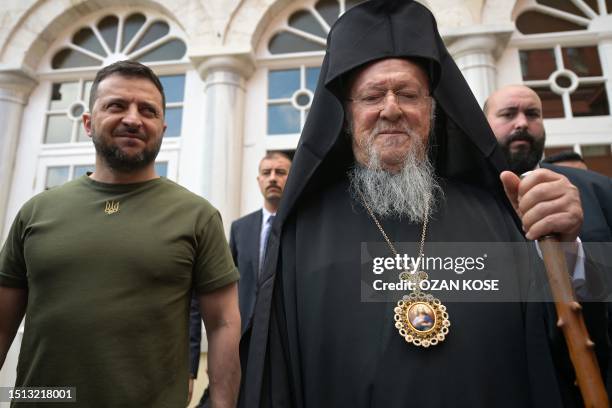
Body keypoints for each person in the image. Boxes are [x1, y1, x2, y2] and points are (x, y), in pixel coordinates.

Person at [240, 2, 603, 407]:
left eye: (409, 94)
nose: (391, 108)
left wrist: (567, 249)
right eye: (372, 95)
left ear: (433, 111)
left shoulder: (493, 214)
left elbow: (550, 341)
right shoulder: (302, 232)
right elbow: (277, 378)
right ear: (346, 116)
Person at [0, 60, 241, 407]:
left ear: (162, 126)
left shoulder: (197, 216)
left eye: (148, 110)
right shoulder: (36, 212)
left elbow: (222, 324)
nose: (133, 119)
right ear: (87, 122)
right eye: (116, 105)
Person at [485, 83, 612, 393]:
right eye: (508, 114)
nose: (522, 123)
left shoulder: (598, 191)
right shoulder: (467, 201)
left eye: (533, 114)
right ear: (484, 124)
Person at [189, 152, 291, 407]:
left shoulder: (302, 225)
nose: (272, 178)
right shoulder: (240, 228)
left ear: (291, 177)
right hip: (243, 339)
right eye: (266, 173)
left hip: (284, 338)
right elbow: (223, 286)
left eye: (280, 172)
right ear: (258, 180)